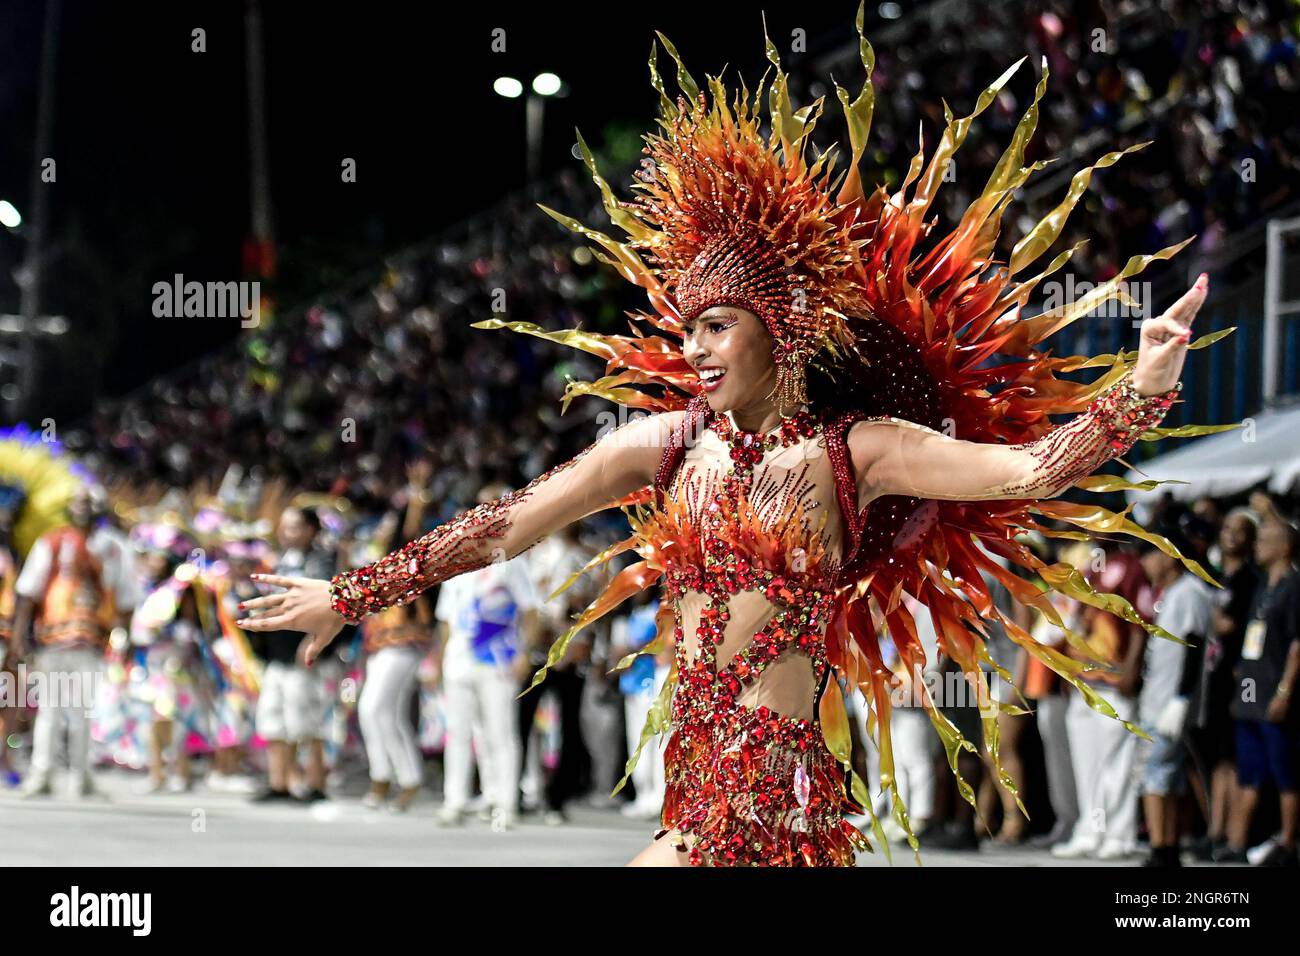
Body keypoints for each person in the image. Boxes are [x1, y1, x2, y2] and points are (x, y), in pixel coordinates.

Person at [236, 19, 1212, 866]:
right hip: (697, 792)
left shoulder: (858, 451)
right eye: (685, 326)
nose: (692, 347)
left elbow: (1031, 471)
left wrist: (1142, 387)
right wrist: (353, 593)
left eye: (717, 324)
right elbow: (506, 526)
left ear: (780, 328)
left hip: (770, 798)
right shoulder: (660, 447)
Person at [10, 486, 140, 798]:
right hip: (53, 638)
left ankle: (80, 776)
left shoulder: (113, 548)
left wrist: (126, 638)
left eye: (88, 503)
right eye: (78, 503)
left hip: (92, 640)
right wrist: (19, 636)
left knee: (81, 711)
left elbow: (126, 597)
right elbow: (29, 593)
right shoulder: (53, 542)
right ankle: (42, 774)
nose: (83, 509)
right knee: (50, 710)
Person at [431, 483, 542, 830]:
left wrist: (524, 652)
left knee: (500, 732)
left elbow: (531, 612)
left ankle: (506, 803)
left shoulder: (512, 560)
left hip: (498, 658)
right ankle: (456, 800)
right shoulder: (459, 561)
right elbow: (446, 618)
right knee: (459, 732)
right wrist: (438, 658)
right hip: (459, 659)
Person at [243, 505, 338, 803]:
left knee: (307, 719)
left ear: (312, 530)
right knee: (272, 717)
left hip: (305, 653)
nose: (286, 532)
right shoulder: (278, 560)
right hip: (277, 652)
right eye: (284, 526)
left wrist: (311, 642)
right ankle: (279, 782)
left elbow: (331, 607)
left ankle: (315, 783)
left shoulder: (323, 563)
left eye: (294, 526)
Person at [1136, 522, 1215, 867]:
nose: (1145, 563)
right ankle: (1166, 846)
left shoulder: (1189, 592)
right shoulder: (1171, 594)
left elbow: (1195, 646)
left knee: (1156, 775)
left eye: (1150, 554)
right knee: (1165, 777)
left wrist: (1182, 700)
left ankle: (1162, 847)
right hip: (1158, 699)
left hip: (1171, 701)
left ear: (1169, 556)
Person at [1222, 515, 1300, 866]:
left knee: (1285, 771)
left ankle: (1287, 842)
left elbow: (1297, 645)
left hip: (1275, 692)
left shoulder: (1294, 586)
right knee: (1248, 768)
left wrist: (1285, 692)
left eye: (1266, 539)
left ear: (1284, 546)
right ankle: (1237, 842)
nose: (1258, 545)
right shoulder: (1261, 586)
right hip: (1250, 692)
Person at [357, 467, 436, 812]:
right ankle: (407, 779)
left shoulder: (406, 561)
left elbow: (411, 531)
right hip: (381, 646)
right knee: (388, 714)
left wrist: (417, 491)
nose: (383, 528)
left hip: (403, 645)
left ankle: (384, 777)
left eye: (390, 523)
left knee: (372, 709)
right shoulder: (378, 567)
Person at [1194, 507, 1260, 861]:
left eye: (1240, 529)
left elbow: (1232, 627)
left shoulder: (1250, 578)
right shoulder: (1218, 576)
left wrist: (1217, 621)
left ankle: (1235, 836)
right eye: (1228, 527)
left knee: (1234, 760)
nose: (1230, 534)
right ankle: (1215, 831)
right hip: (1214, 677)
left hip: (1239, 677)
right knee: (1218, 760)